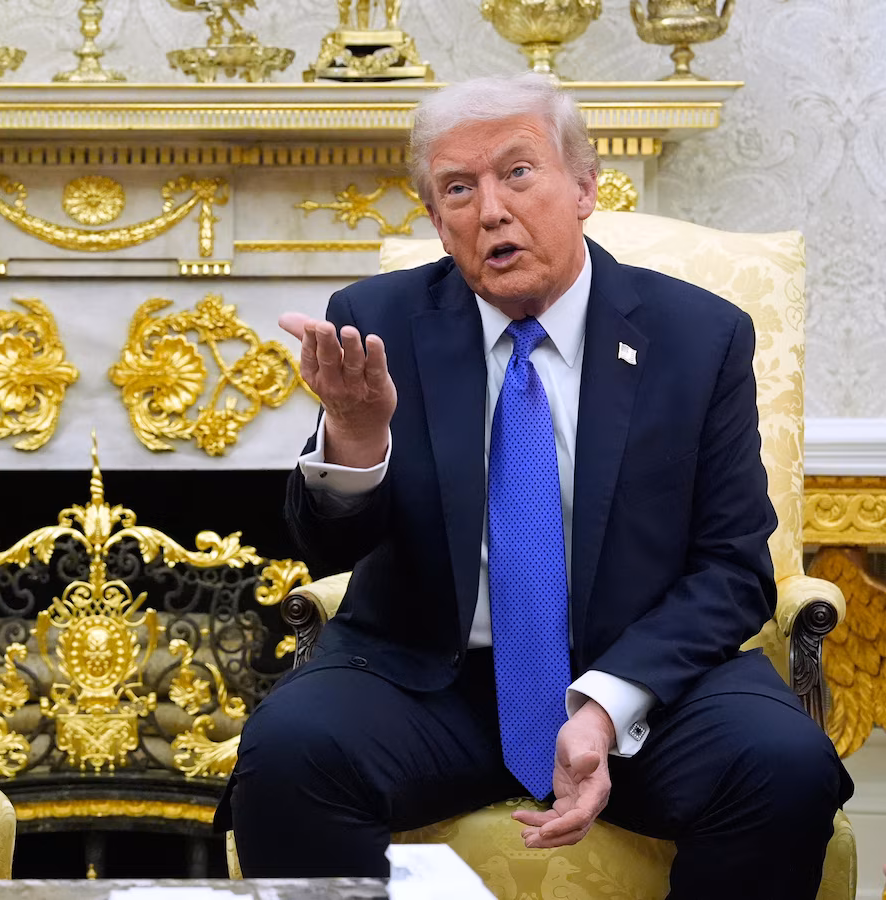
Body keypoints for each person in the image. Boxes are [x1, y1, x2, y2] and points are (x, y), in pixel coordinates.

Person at [225, 73, 850, 898]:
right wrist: (356, 432)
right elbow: (328, 545)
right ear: (436, 220)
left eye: (518, 173)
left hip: (646, 681)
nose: (491, 210)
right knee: (289, 752)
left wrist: (606, 703)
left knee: (785, 765)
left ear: (585, 187)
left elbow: (734, 568)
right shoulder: (378, 322)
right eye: (458, 188)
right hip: (428, 676)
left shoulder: (698, 337)